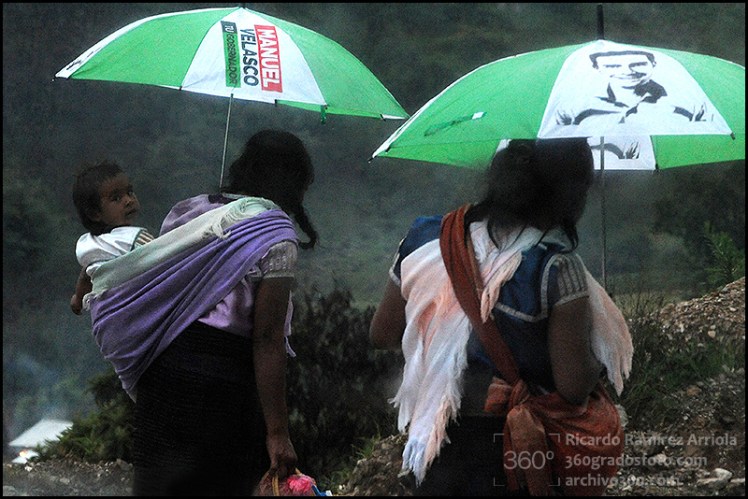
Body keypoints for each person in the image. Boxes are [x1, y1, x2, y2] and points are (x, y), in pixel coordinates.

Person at [370, 138, 632, 496]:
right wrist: (595, 356)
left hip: (432, 448)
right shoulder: (556, 268)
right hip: (510, 454)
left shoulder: (427, 238)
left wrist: (443, 340)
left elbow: (382, 333)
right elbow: (572, 386)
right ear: (567, 195)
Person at [84, 129, 317, 496]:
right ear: (293, 183)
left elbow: (160, 286)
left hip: (162, 376)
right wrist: (277, 433)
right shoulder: (274, 233)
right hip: (224, 386)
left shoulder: (188, 210)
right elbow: (267, 337)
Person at [70, 161, 154, 315]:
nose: (129, 200)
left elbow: (86, 275)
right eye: (116, 198)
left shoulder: (88, 244)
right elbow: (164, 254)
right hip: (131, 313)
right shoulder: (133, 239)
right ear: (94, 213)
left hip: (104, 318)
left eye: (129, 192)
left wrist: (77, 299)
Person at [554, 49, 708, 128]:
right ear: (597, 68)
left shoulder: (686, 104)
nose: (627, 71)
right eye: (612, 66)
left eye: (638, 64)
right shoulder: (574, 107)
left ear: (653, 64)